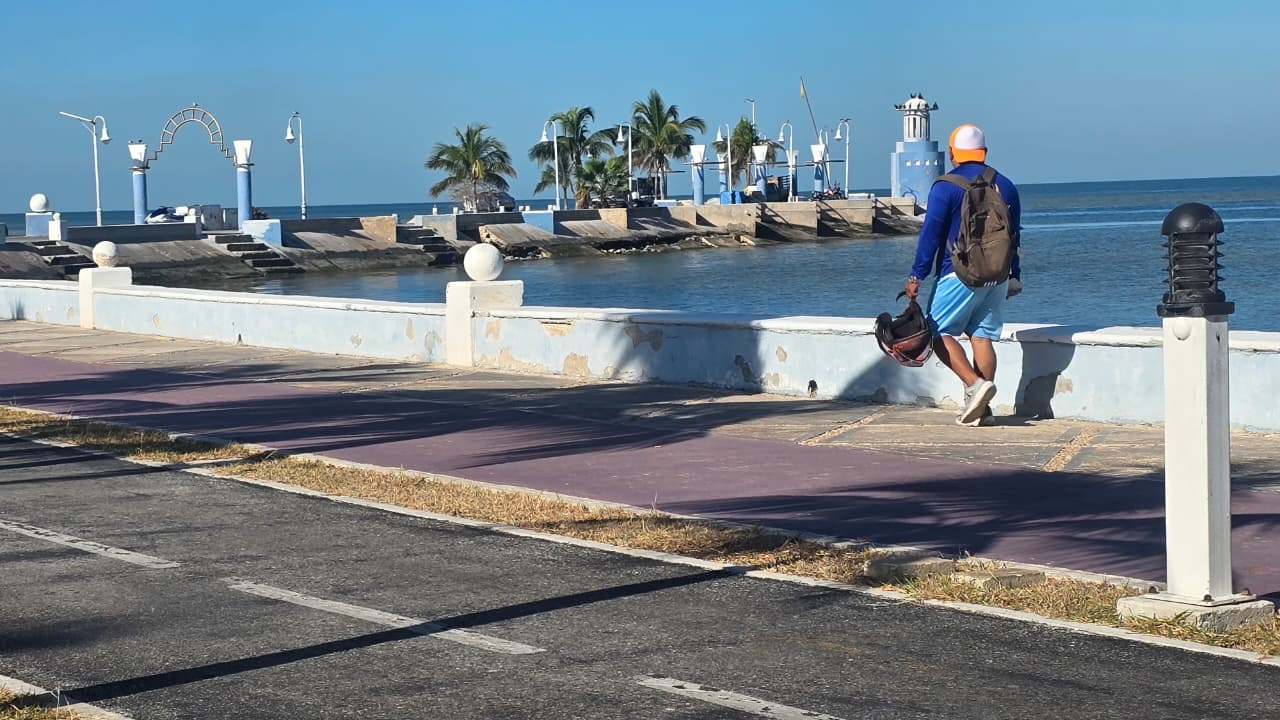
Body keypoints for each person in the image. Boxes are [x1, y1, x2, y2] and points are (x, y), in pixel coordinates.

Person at [904, 124, 1022, 426]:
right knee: (982, 337)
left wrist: (917, 275)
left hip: (957, 273)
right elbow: (1014, 236)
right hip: (997, 275)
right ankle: (983, 410)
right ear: (984, 152)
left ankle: (974, 385)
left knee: (937, 333)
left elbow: (931, 234)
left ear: (952, 153)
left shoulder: (945, 187)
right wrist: (1014, 274)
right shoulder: (1006, 185)